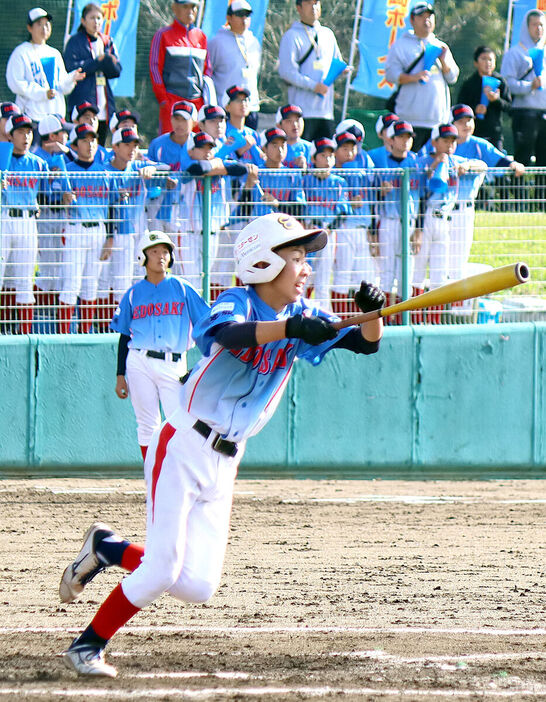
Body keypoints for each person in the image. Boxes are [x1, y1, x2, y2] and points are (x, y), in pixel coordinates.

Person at [58, 211, 384, 678]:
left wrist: (373, 315)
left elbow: (365, 344)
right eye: (296, 257)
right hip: (184, 444)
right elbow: (227, 336)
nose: (306, 267)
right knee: (162, 570)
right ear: (263, 263)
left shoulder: (303, 315)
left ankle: (108, 548)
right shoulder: (239, 301)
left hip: (227, 462)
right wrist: (290, 330)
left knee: (196, 585)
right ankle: (86, 647)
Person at [110, 231, 209, 461]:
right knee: (147, 425)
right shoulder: (134, 294)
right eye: (154, 251)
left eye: (165, 251)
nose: (161, 256)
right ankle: (152, 480)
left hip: (173, 364)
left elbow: (206, 323)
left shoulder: (183, 288)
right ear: (143, 257)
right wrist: (120, 375)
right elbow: (125, 336)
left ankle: (179, 477)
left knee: (179, 422)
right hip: (138, 361)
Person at [413, 123, 486, 323]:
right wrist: (433, 167)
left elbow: (483, 166)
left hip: (446, 220)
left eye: (453, 140)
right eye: (445, 140)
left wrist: (467, 166)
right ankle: (414, 318)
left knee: (439, 273)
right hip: (425, 218)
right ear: (434, 142)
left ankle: (434, 320)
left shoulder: (458, 160)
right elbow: (418, 193)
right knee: (417, 272)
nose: (449, 144)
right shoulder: (422, 161)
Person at [448, 104, 524, 282]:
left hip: (463, 208)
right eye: (460, 121)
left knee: (458, 259)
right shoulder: (441, 141)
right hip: (439, 209)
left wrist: (514, 164)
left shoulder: (479, 145)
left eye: (469, 120)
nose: (466, 125)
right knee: (438, 260)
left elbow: (501, 161)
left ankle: (454, 306)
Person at [97, 128, 163, 332]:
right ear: (115, 147)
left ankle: (137, 327)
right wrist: (109, 237)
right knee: (119, 284)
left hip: (139, 234)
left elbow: (166, 167)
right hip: (117, 234)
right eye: (127, 144)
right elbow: (105, 207)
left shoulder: (139, 165)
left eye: (135, 144)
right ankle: (117, 329)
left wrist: (154, 169)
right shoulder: (105, 171)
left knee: (139, 281)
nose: (132, 148)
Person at [57, 123, 112, 333]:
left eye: (93, 139)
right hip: (75, 228)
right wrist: (62, 199)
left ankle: (84, 333)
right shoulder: (66, 171)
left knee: (91, 286)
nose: (89, 144)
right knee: (71, 285)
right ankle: (62, 335)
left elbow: (113, 206)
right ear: (75, 144)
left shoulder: (104, 173)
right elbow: (51, 201)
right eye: (84, 140)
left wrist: (110, 237)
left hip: (98, 230)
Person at [384, 1, 459, 152]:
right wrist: (413, 77)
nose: (427, 20)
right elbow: (391, 75)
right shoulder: (401, 45)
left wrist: (443, 60)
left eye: (430, 17)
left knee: (434, 164)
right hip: (409, 120)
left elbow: (452, 77)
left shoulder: (441, 46)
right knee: (412, 167)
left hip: (437, 122)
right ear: (412, 20)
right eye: (421, 17)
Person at [1, 113, 49, 334]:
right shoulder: (3, 157)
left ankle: (24, 334)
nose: (26, 136)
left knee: (24, 279)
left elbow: (49, 196)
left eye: (29, 132)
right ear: (11, 135)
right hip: (4, 218)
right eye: (21, 131)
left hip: (28, 220)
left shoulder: (38, 163)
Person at [6, 7, 84, 131]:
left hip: (55, 117)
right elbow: (16, 83)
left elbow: (61, 85)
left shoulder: (54, 53)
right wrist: (43, 93)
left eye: (47, 24)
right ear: (29, 28)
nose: (44, 28)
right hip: (32, 117)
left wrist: (72, 78)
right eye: (39, 24)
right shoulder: (21, 52)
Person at [372, 120, 420, 318]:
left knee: (406, 274)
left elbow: (423, 197)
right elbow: (372, 199)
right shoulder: (382, 165)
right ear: (391, 139)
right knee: (386, 272)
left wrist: (419, 230)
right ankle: (383, 317)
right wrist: (380, 192)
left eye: (408, 137)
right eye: (400, 136)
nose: (405, 140)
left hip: (410, 222)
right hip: (389, 221)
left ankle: (403, 317)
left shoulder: (417, 162)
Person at [278, 0, 346, 141]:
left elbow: (337, 62)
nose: (314, 7)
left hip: (326, 112)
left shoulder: (328, 34)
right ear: (299, 8)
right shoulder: (291, 36)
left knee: (325, 156)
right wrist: (313, 86)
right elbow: (287, 72)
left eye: (316, 3)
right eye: (308, 3)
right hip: (302, 113)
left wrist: (343, 71)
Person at [149, 0, 213, 136]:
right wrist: (163, 99)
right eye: (185, 6)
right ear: (174, 8)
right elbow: (155, 68)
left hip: (197, 103)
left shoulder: (201, 37)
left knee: (197, 147)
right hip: (172, 101)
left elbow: (207, 70)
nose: (190, 10)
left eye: (193, 7)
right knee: (170, 145)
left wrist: (205, 99)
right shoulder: (163, 34)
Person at [301, 137, 351, 307]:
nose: (328, 159)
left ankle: (323, 319)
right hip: (306, 233)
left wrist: (329, 229)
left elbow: (344, 212)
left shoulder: (339, 182)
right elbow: (298, 206)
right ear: (314, 158)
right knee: (303, 275)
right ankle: (299, 314)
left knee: (323, 280)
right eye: (323, 155)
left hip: (328, 233)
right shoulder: (305, 180)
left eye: (330, 155)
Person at [330, 130, 376, 317]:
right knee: (342, 275)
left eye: (352, 148)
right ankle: (340, 319)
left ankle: (360, 318)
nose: (349, 152)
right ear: (336, 151)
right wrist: (349, 203)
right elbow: (330, 204)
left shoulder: (358, 171)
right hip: (343, 228)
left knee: (365, 277)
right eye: (344, 148)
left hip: (361, 229)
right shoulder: (332, 174)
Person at [64, 2, 122, 146]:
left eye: (99, 18)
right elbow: (73, 67)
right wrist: (97, 62)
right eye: (92, 18)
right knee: (81, 143)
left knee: (100, 143)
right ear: (83, 21)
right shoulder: (75, 41)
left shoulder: (107, 41)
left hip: (104, 104)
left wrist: (106, 60)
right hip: (83, 102)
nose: (96, 22)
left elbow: (117, 70)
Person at [33, 114, 72, 328]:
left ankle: (54, 320)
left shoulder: (65, 156)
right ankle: (41, 319)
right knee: (48, 268)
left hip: (62, 216)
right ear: (52, 135)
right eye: (63, 132)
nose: (66, 135)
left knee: (60, 268)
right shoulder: (38, 157)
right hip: (45, 214)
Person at [501, 10, 546, 168]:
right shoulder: (515, 53)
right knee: (523, 160)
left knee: (544, 161)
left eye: (541, 25)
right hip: (524, 114)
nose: (538, 28)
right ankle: (519, 193)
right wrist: (529, 86)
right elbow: (507, 84)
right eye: (534, 24)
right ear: (526, 27)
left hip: (544, 114)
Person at [208, 0, 261, 131]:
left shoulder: (254, 42)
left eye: (247, 15)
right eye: (239, 14)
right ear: (229, 18)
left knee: (248, 147)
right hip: (225, 108)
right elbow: (208, 74)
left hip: (250, 108)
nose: (244, 19)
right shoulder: (216, 42)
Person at [457, 46, 512, 150]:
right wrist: (474, 109)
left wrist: (496, 100)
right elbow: (460, 106)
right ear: (476, 63)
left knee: (496, 164)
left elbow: (509, 107)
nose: (488, 62)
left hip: (494, 134)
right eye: (483, 59)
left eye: (490, 59)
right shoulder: (469, 83)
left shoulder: (500, 81)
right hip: (473, 133)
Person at [276, 103, 311, 169]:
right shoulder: (273, 149)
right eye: (289, 121)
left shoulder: (312, 149)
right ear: (279, 126)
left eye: (298, 120)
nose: (295, 125)